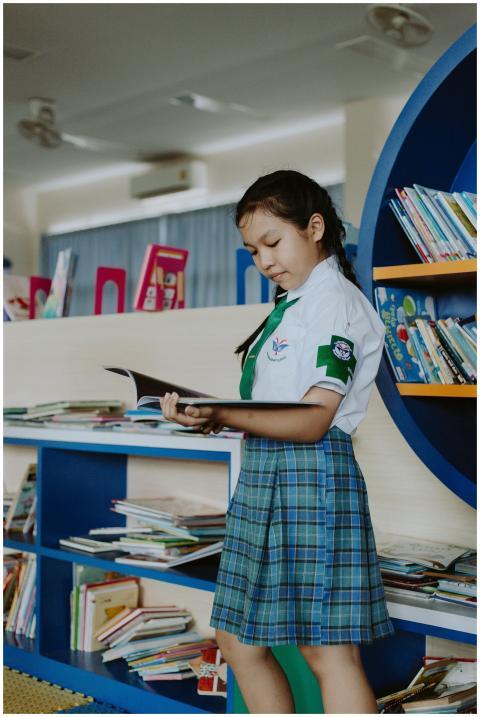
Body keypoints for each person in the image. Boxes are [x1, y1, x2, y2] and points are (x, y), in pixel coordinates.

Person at [160, 170, 395, 714]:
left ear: (315, 228)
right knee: (238, 639)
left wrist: (221, 411)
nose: (264, 260)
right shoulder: (294, 304)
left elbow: (313, 420)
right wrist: (212, 416)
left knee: (327, 650)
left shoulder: (334, 301)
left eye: (273, 242)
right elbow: (275, 404)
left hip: (313, 476)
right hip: (264, 473)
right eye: (252, 250)